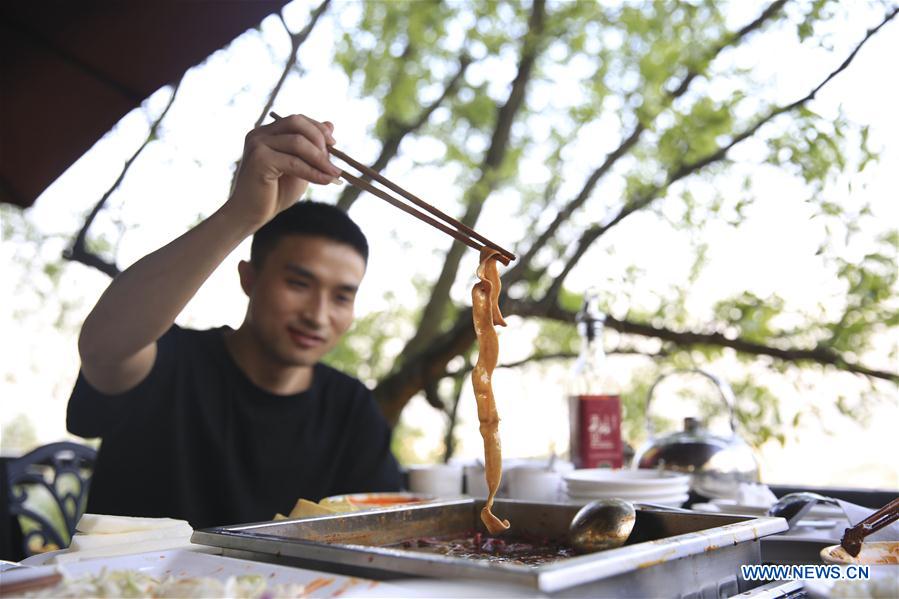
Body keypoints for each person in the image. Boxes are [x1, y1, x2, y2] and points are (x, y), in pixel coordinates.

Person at [66, 114, 402, 529]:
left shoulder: (350, 408)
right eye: (299, 283)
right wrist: (241, 215)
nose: (317, 314)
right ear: (249, 278)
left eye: (341, 297)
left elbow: (385, 526)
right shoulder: (171, 360)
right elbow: (104, 348)